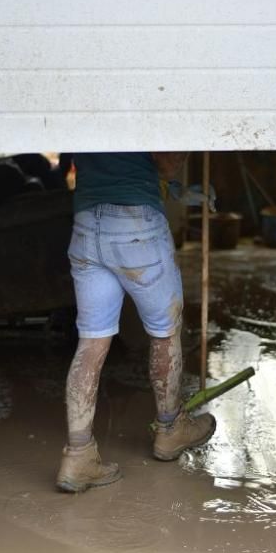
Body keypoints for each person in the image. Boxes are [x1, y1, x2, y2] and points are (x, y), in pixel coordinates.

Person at [55, 152, 217, 493]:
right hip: (136, 225)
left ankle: (79, 455)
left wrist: (172, 189)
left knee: (92, 342)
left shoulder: (84, 99)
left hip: (86, 225)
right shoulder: (142, 99)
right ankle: (170, 430)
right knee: (165, 332)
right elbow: (167, 162)